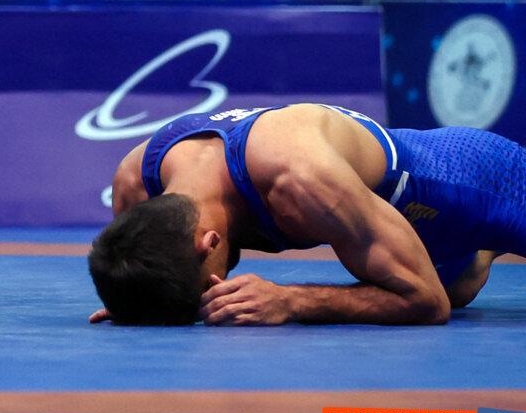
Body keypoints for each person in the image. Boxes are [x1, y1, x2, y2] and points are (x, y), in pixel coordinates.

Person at [87, 104, 525, 325]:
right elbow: (141, 263)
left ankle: (473, 249)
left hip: (474, 181)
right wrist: (137, 299)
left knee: (440, 288)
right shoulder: (134, 183)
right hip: (389, 226)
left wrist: (291, 300)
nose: (214, 292)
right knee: (457, 283)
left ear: (209, 243)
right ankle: (470, 257)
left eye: (207, 286)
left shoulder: (299, 179)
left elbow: (428, 302)